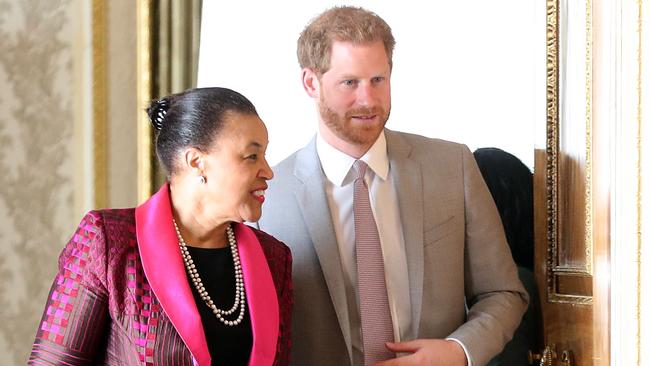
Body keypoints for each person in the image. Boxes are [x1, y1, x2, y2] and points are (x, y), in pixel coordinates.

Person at [257, 6, 528, 366]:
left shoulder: (453, 166)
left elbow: (504, 292)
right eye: (350, 83)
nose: (368, 100)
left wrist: (457, 351)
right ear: (311, 83)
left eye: (378, 80)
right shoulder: (269, 199)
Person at [29, 87, 293, 366]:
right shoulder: (108, 242)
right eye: (252, 156)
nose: (268, 171)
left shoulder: (274, 258)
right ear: (197, 162)